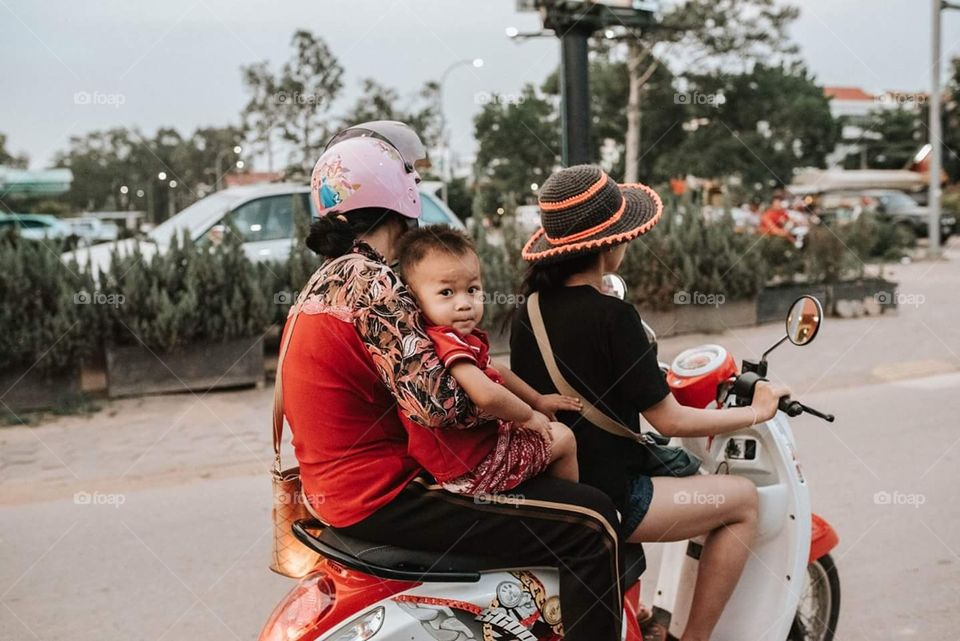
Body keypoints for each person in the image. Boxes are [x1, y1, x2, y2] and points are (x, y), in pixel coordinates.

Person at [280, 131, 627, 641]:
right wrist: (529, 417)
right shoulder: (372, 283)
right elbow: (440, 405)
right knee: (594, 525)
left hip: (336, 492)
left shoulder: (325, 279)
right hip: (383, 496)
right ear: (400, 197)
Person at [509, 164, 790, 641]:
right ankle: (695, 636)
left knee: (687, 475)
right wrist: (758, 410)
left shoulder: (528, 311)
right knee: (743, 501)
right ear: (608, 243)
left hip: (558, 488)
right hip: (613, 495)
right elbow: (671, 419)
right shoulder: (614, 316)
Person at [395, 225, 581, 496]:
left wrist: (537, 400)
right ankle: (570, 512)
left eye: (472, 289)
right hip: (472, 469)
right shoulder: (444, 342)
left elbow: (495, 370)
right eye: (447, 293)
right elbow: (486, 395)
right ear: (414, 297)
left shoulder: (451, 338)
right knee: (563, 438)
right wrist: (529, 415)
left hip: (466, 458)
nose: (464, 303)